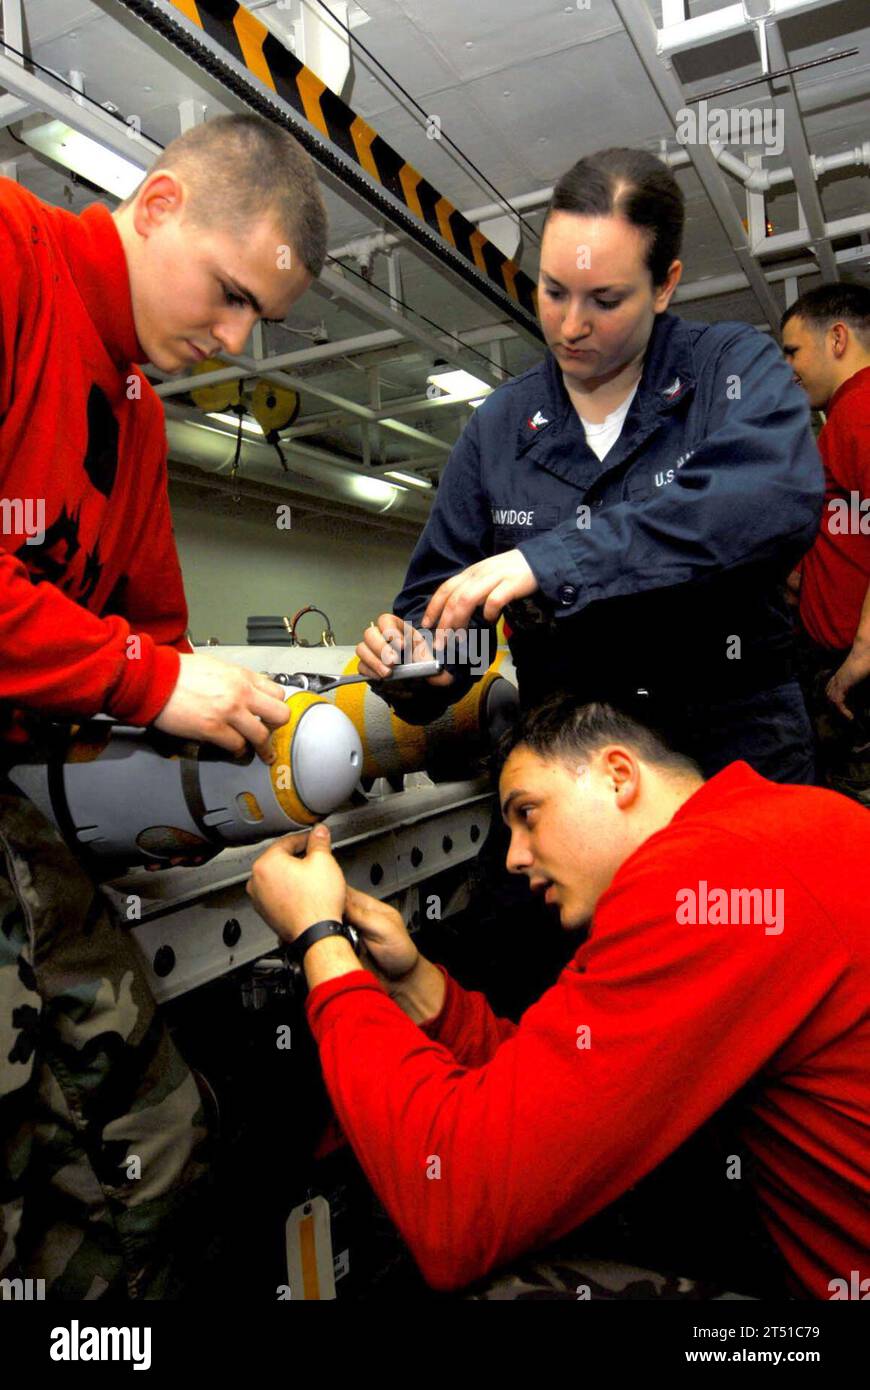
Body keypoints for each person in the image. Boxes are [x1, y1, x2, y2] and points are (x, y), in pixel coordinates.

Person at [0, 114, 327, 1298]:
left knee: (157, 1140)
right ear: (155, 206)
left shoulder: (134, 403)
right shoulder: (9, 254)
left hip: (28, 807)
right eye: (231, 294)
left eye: (262, 321)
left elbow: (161, 638)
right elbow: (146, 667)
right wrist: (143, 681)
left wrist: (253, 791)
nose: (238, 340)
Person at [247, 696, 870, 1300]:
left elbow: (458, 1209)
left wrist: (320, 945)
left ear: (617, 776)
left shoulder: (707, 877)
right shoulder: (781, 827)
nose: (514, 857)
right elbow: (567, 1099)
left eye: (527, 812)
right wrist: (413, 984)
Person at [357, 147, 824, 783]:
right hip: (566, 766)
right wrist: (421, 662)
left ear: (665, 285)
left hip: (733, 754)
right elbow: (437, 610)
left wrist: (548, 561)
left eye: (605, 300)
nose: (570, 326)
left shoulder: (730, 369)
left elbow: (770, 497)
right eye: (553, 292)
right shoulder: (498, 426)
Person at [780, 283, 870, 805]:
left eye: (793, 350)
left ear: (837, 339)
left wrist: (860, 656)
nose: (789, 366)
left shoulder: (861, 409)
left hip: (857, 673)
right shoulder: (843, 418)